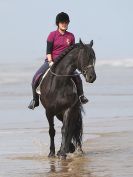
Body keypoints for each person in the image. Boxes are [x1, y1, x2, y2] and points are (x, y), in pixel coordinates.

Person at [28, 12, 88, 110]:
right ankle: (35, 100)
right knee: (36, 77)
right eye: (62, 22)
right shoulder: (52, 35)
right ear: (58, 23)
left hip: (66, 64)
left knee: (77, 77)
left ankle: (81, 96)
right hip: (52, 61)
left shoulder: (71, 36)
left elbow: (72, 52)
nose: (64, 24)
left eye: (66, 22)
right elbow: (48, 50)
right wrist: (50, 61)